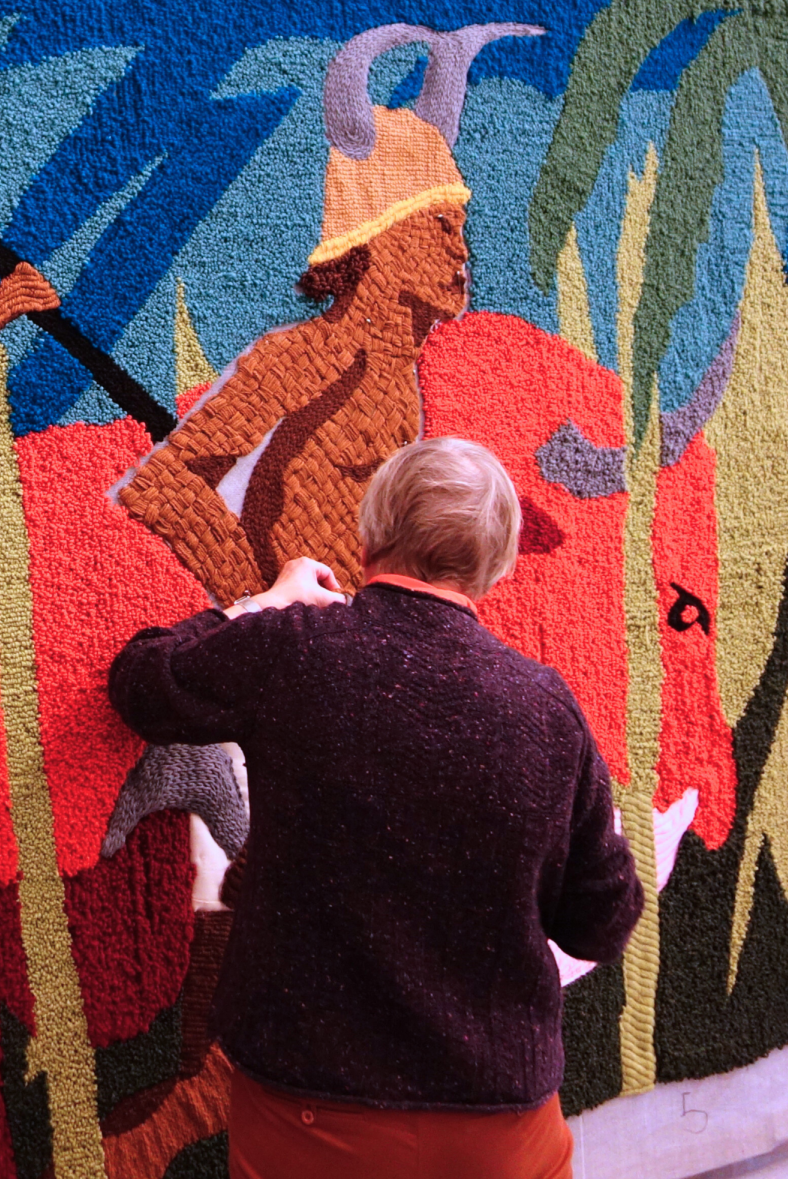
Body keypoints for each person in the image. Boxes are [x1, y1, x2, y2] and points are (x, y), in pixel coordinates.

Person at [109, 436, 643, 1179]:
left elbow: (142, 683)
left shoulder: (293, 647)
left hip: (313, 1119)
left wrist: (265, 601)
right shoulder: (547, 709)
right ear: (499, 564)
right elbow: (599, 922)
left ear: (369, 535)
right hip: (501, 1133)